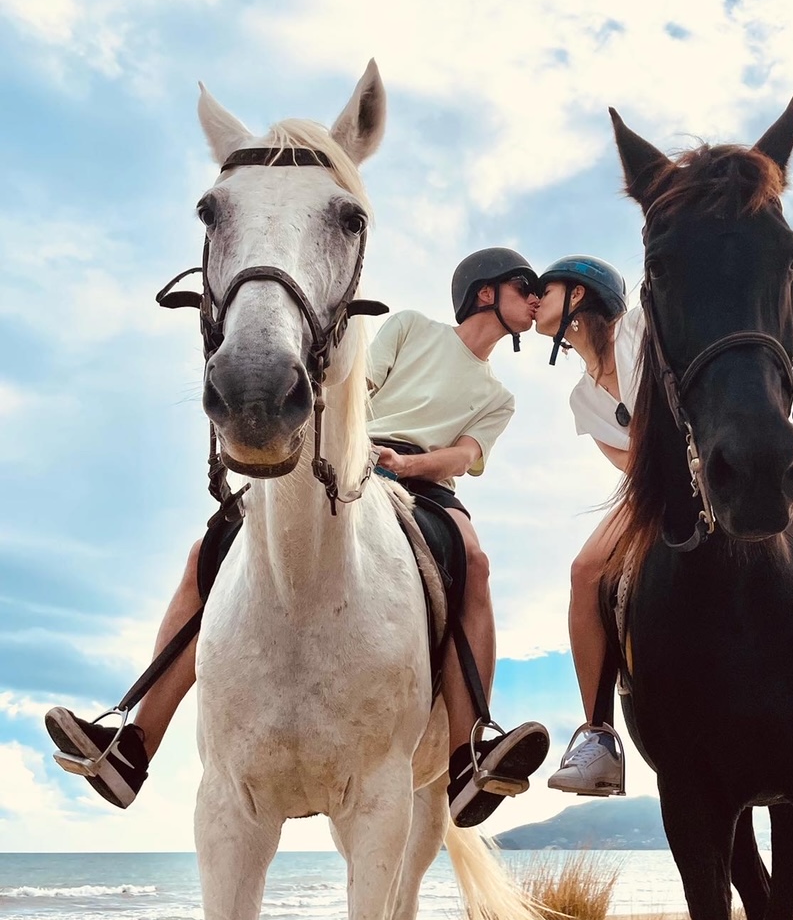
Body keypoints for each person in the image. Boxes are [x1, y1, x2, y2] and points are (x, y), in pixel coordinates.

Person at [45, 247, 550, 829]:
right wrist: (354, 449)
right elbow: (360, 388)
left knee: (476, 562)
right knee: (206, 550)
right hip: (348, 452)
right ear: (485, 292)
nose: (535, 298)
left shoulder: (499, 397)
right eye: (523, 284)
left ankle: (471, 754)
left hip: (424, 478)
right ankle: (132, 743)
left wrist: (408, 467)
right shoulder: (413, 327)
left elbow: (464, 455)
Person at [533, 255, 793, 796]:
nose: (533, 300)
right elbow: (626, 462)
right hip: (658, 487)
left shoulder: (643, 326)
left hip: (726, 455)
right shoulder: (582, 398)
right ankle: (597, 735)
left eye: (543, 290)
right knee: (584, 572)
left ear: (579, 294)